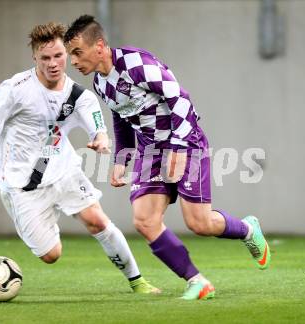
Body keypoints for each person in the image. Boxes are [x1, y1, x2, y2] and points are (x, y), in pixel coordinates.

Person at [65, 15, 271, 300]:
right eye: (70, 55)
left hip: (186, 142)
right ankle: (197, 281)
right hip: (150, 151)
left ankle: (248, 229)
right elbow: (121, 118)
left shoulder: (137, 65)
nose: (73, 61)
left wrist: (177, 148)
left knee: (199, 223)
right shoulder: (100, 83)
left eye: (77, 52)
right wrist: (122, 160)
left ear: (99, 46)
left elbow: (181, 100)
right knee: (144, 220)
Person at [0, 22, 159, 294]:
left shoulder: (80, 96)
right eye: (45, 58)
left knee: (98, 220)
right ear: (35, 58)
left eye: (58, 56)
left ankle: (138, 281)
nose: (53, 63)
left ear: (66, 53)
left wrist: (101, 140)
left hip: (64, 173)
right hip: (21, 185)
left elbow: (98, 127)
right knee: (51, 255)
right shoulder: (15, 89)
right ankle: (45, 220)